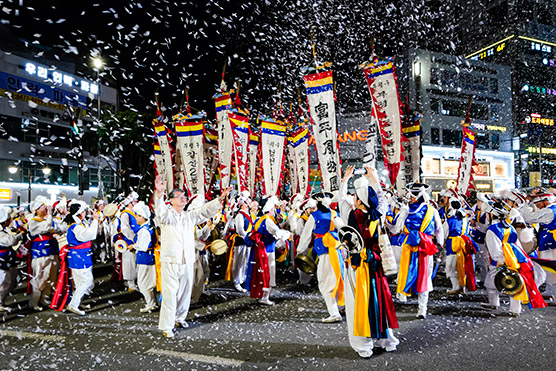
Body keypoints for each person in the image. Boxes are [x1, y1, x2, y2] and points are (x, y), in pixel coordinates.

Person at [154, 175, 230, 338]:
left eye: (184, 196)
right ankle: (166, 326)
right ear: (171, 200)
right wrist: (159, 194)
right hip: (171, 260)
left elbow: (204, 211)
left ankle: (179, 318)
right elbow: (159, 211)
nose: (183, 199)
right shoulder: (166, 216)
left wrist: (220, 199)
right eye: (179, 197)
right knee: (170, 293)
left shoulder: (189, 216)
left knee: (185, 292)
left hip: (187, 259)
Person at [338, 165, 399, 358]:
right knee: (379, 301)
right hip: (376, 267)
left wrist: (345, 179)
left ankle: (363, 346)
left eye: (355, 196)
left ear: (359, 200)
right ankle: (386, 340)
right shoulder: (377, 215)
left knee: (357, 304)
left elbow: (340, 200)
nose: (352, 199)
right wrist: (374, 180)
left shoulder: (352, 215)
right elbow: (381, 201)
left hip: (359, 267)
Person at [483, 200, 546, 315]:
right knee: (515, 284)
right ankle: (515, 310)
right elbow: (518, 245)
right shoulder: (510, 227)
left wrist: (499, 260)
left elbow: (494, 248)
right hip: (515, 259)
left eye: (487, 213)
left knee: (490, 282)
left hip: (501, 260)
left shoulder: (492, 229)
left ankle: (494, 303)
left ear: (491, 215)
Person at [396, 182, 444, 319]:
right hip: (422, 246)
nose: (409, 197)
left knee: (413, 274)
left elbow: (398, 228)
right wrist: (439, 243)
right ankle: (421, 308)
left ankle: (419, 305)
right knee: (424, 277)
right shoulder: (430, 210)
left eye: (411, 195)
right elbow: (439, 230)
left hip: (416, 246)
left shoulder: (408, 210)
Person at [297, 191, 345, 323]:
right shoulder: (335, 214)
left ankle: (334, 312)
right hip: (338, 252)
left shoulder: (315, 216)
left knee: (325, 282)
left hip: (325, 253)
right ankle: (340, 306)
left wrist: (300, 250)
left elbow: (306, 235)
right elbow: (343, 231)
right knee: (338, 278)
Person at [247, 196, 291, 305]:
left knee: (260, 272)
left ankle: (261, 294)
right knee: (267, 272)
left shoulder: (258, 219)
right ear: (270, 210)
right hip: (267, 249)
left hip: (259, 249)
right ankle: (265, 297)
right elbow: (277, 232)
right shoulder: (267, 221)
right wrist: (288, 234)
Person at [64, 201, 99, 315]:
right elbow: (90, 235)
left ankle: (77, 302)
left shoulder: (80, 224)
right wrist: (95, 220)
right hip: (79, 256)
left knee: (81, 283)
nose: (85, 213)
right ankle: (73, 305)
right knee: (86, 282)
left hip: (82, 255)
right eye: (83, 211)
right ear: (79, 213)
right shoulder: (76, 227)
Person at [521, 192, 556, 303]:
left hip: (551, 245)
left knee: (549, 272)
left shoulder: (550, 211)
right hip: (551, 243)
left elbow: (528, 217)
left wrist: (526, 203)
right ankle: (550, 292)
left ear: (545, 201)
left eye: (538, 203)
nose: (537, 206)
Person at [28, 196, 60, 311]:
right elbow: (46, 227)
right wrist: (50, 215)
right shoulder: (33, 222)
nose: (46, 208)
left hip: (51, 251)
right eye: (43, 207)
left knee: (51, 278)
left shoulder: (46, 220)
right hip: (40, 253)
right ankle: (34, 302)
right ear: (36, 210)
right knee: (40, 278)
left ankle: (44, 299)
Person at [442, 197, 477, 294]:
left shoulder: (450, 220)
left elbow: (444, 233)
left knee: (451, 266)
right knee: (461, 265)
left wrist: (442, 242)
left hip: (453, 244)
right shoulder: (464, 218)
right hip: (464, 243)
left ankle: (456, 286)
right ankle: (462, 286)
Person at [133, 201, 158, 313]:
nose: (136, 218)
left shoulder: (144, 230)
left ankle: (150, 303)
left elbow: (142, 246)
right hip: (149, 257)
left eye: (137, 216)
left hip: (145, 258)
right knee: (149, 282)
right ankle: (153, 302)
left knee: (143, 283)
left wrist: (132, 246)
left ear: (142, 217)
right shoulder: (149, 228)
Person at [228, 192, 253, 292]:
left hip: (247, 241)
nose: (249, 202)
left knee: (245, 262)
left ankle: (243, 280)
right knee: (239, 263)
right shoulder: (239, 215)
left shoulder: (248, 214)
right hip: (242, 241)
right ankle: (237, 282)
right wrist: (248, 237)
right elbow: (240, 230)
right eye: (247, 200)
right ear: (243, 203)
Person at [0, 207, 24, 312]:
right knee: (3, 282)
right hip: (2, 260)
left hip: (7, 259)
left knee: (10, 282)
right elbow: (10, 241)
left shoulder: (4, 229)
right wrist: (20, 236)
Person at [120, 193, 140, 291]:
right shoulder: (125, 214)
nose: (136, 203)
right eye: (134, 201)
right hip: (129, 240)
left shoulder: (135, 212)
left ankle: (136, 282)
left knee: (135, 261)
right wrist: (133, 237)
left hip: (137, 239)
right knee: (130, 262)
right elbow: (125, 228)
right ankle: (130, 283)